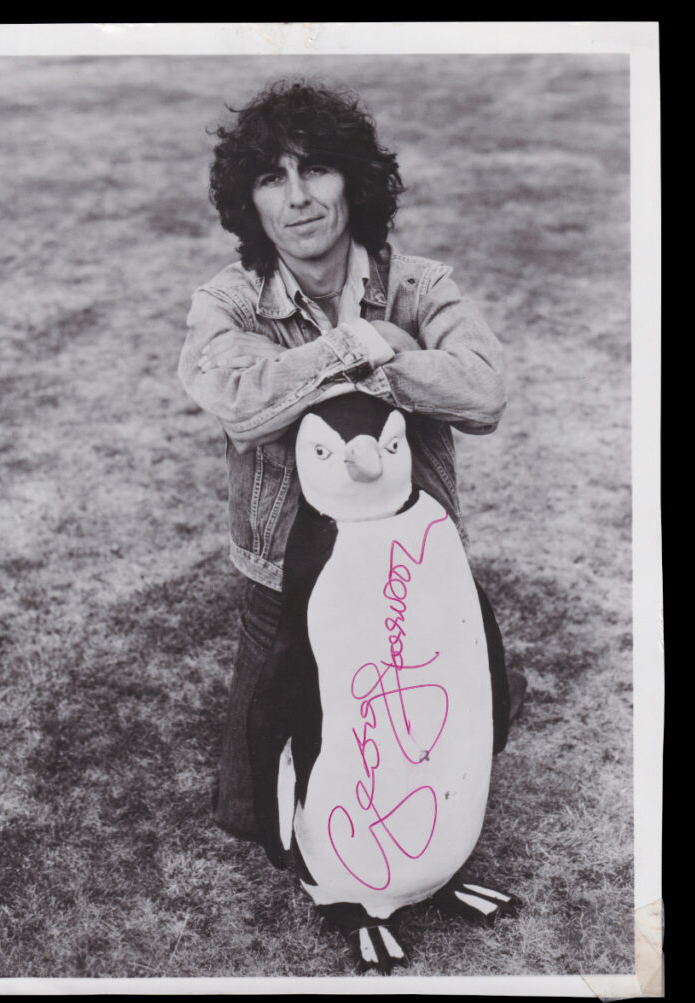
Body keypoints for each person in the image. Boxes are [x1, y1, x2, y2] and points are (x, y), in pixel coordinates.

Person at [179, 80, 522, 840]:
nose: (298, 198)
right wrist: (362, 345)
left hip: (409, 556)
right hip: (282, 567)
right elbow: (238, 402)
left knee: (433, 747)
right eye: (273, 178)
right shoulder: (230, 301)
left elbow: (486, 392)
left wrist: (361, 365)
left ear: (352, 183)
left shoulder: (418, 283)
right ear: (252, 202)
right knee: (249, 817)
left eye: (316, 171)